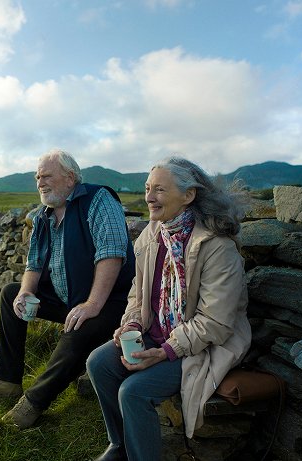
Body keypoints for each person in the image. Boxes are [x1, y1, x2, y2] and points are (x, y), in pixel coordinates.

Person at [86, 157, 252, 461]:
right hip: (158, 334)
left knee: (133, 392)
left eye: (159, 190)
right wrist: (133, 324)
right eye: (148, 188)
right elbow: (138, 295)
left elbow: (215, 322)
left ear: (188, 196)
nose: (149, 197)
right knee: (99, 363)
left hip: (203, 346)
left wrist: (165, 351)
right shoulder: (152, 235)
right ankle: (120, 445)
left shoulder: (217, 246)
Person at [0, 148, 135, 429]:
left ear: (70, 178)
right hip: (71, 298)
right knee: (11, 294)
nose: (40, 182)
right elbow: (33, 263)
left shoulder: (98, 200)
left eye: (46, 176)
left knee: (76, 329)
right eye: (37, 177)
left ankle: (33, 402)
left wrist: (92, 304)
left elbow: (111, 254)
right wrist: (25, 293)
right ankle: (7, 381)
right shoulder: (44, 216)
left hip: (112, 303)